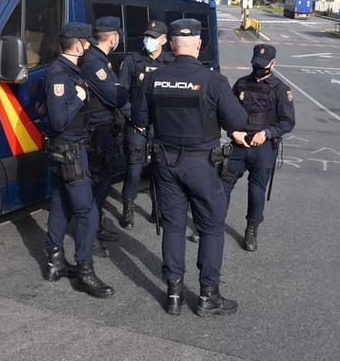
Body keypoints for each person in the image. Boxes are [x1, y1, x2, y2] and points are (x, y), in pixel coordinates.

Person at [133, 18, 248, 317]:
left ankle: (173, 294)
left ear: (170, 44)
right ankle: (208, 296)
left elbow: (140, 120)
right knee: (211, 227)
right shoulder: (213, 80)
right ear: (198, 43)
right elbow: (237, 122)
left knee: (173, 226)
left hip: (165, 161)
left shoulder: (153, 78)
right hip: (201, 164)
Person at [41, 22, 114, 298]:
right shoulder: (60, 75)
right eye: (86, 43)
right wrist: (79, 98)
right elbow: (59, 120)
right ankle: (85, 271)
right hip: (70, 150)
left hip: (67, 149)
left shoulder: (68, 70)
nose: (88, 47)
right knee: (87, 211)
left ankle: (54, 262)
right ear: (78, 44)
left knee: (61, 204)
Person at [221, 44, 295, 251]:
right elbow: (227, 112)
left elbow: (288, 122)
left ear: (273, 64)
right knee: (223, 186)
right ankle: (211, 225)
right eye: (255, 64)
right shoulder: (241, 84)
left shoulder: (281, 89)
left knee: (256, 191)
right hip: (239, 143)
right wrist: (232, 132)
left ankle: (251, 229)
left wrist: (267, 133)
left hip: (263, 148)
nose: (258, 68)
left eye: (263, 65)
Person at [117, 20, 174, 229]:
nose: (149, 40)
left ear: (164, 40)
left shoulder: (171, 62)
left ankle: (157, 207)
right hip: (137, 124)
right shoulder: (133, 61)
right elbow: (121, 94)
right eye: (147, 36)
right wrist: (134, 118)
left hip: (161, 125)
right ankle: (128, 207)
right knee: (134, 167)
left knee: (160, 167)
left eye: (154, 37)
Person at [80, 16, 128, 257]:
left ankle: (96, 226)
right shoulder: (94, 63)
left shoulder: (99, 60)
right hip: (97, 132)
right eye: (117, 35)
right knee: (96, 185)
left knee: (103, 181)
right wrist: (122, 90)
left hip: (104, 129)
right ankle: (90, 237)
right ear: (112, 37)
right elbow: (115, 95)